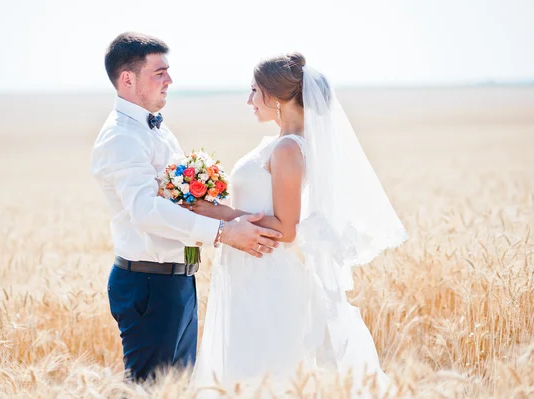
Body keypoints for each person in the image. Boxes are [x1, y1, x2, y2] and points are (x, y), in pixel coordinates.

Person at [190, 52, 408, 397]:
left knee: (264, 368)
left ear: (275, 96)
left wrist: (216, 212)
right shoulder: (279, 144)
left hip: (268, 272)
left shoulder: (289, 149)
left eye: (254, 91)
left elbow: (287, 228)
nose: (249, 100)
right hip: (250, 264)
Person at [90, 32, 282, 382]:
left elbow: (185, 202)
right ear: (128, 79)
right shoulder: (121, 137)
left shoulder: (157, 131)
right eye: (159, 72)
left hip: (177, 282)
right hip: (147, 283)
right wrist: (224, 233)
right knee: (149, 388)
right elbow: (146, 210)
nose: (170, 80)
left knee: (179, 388)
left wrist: (233, 216)